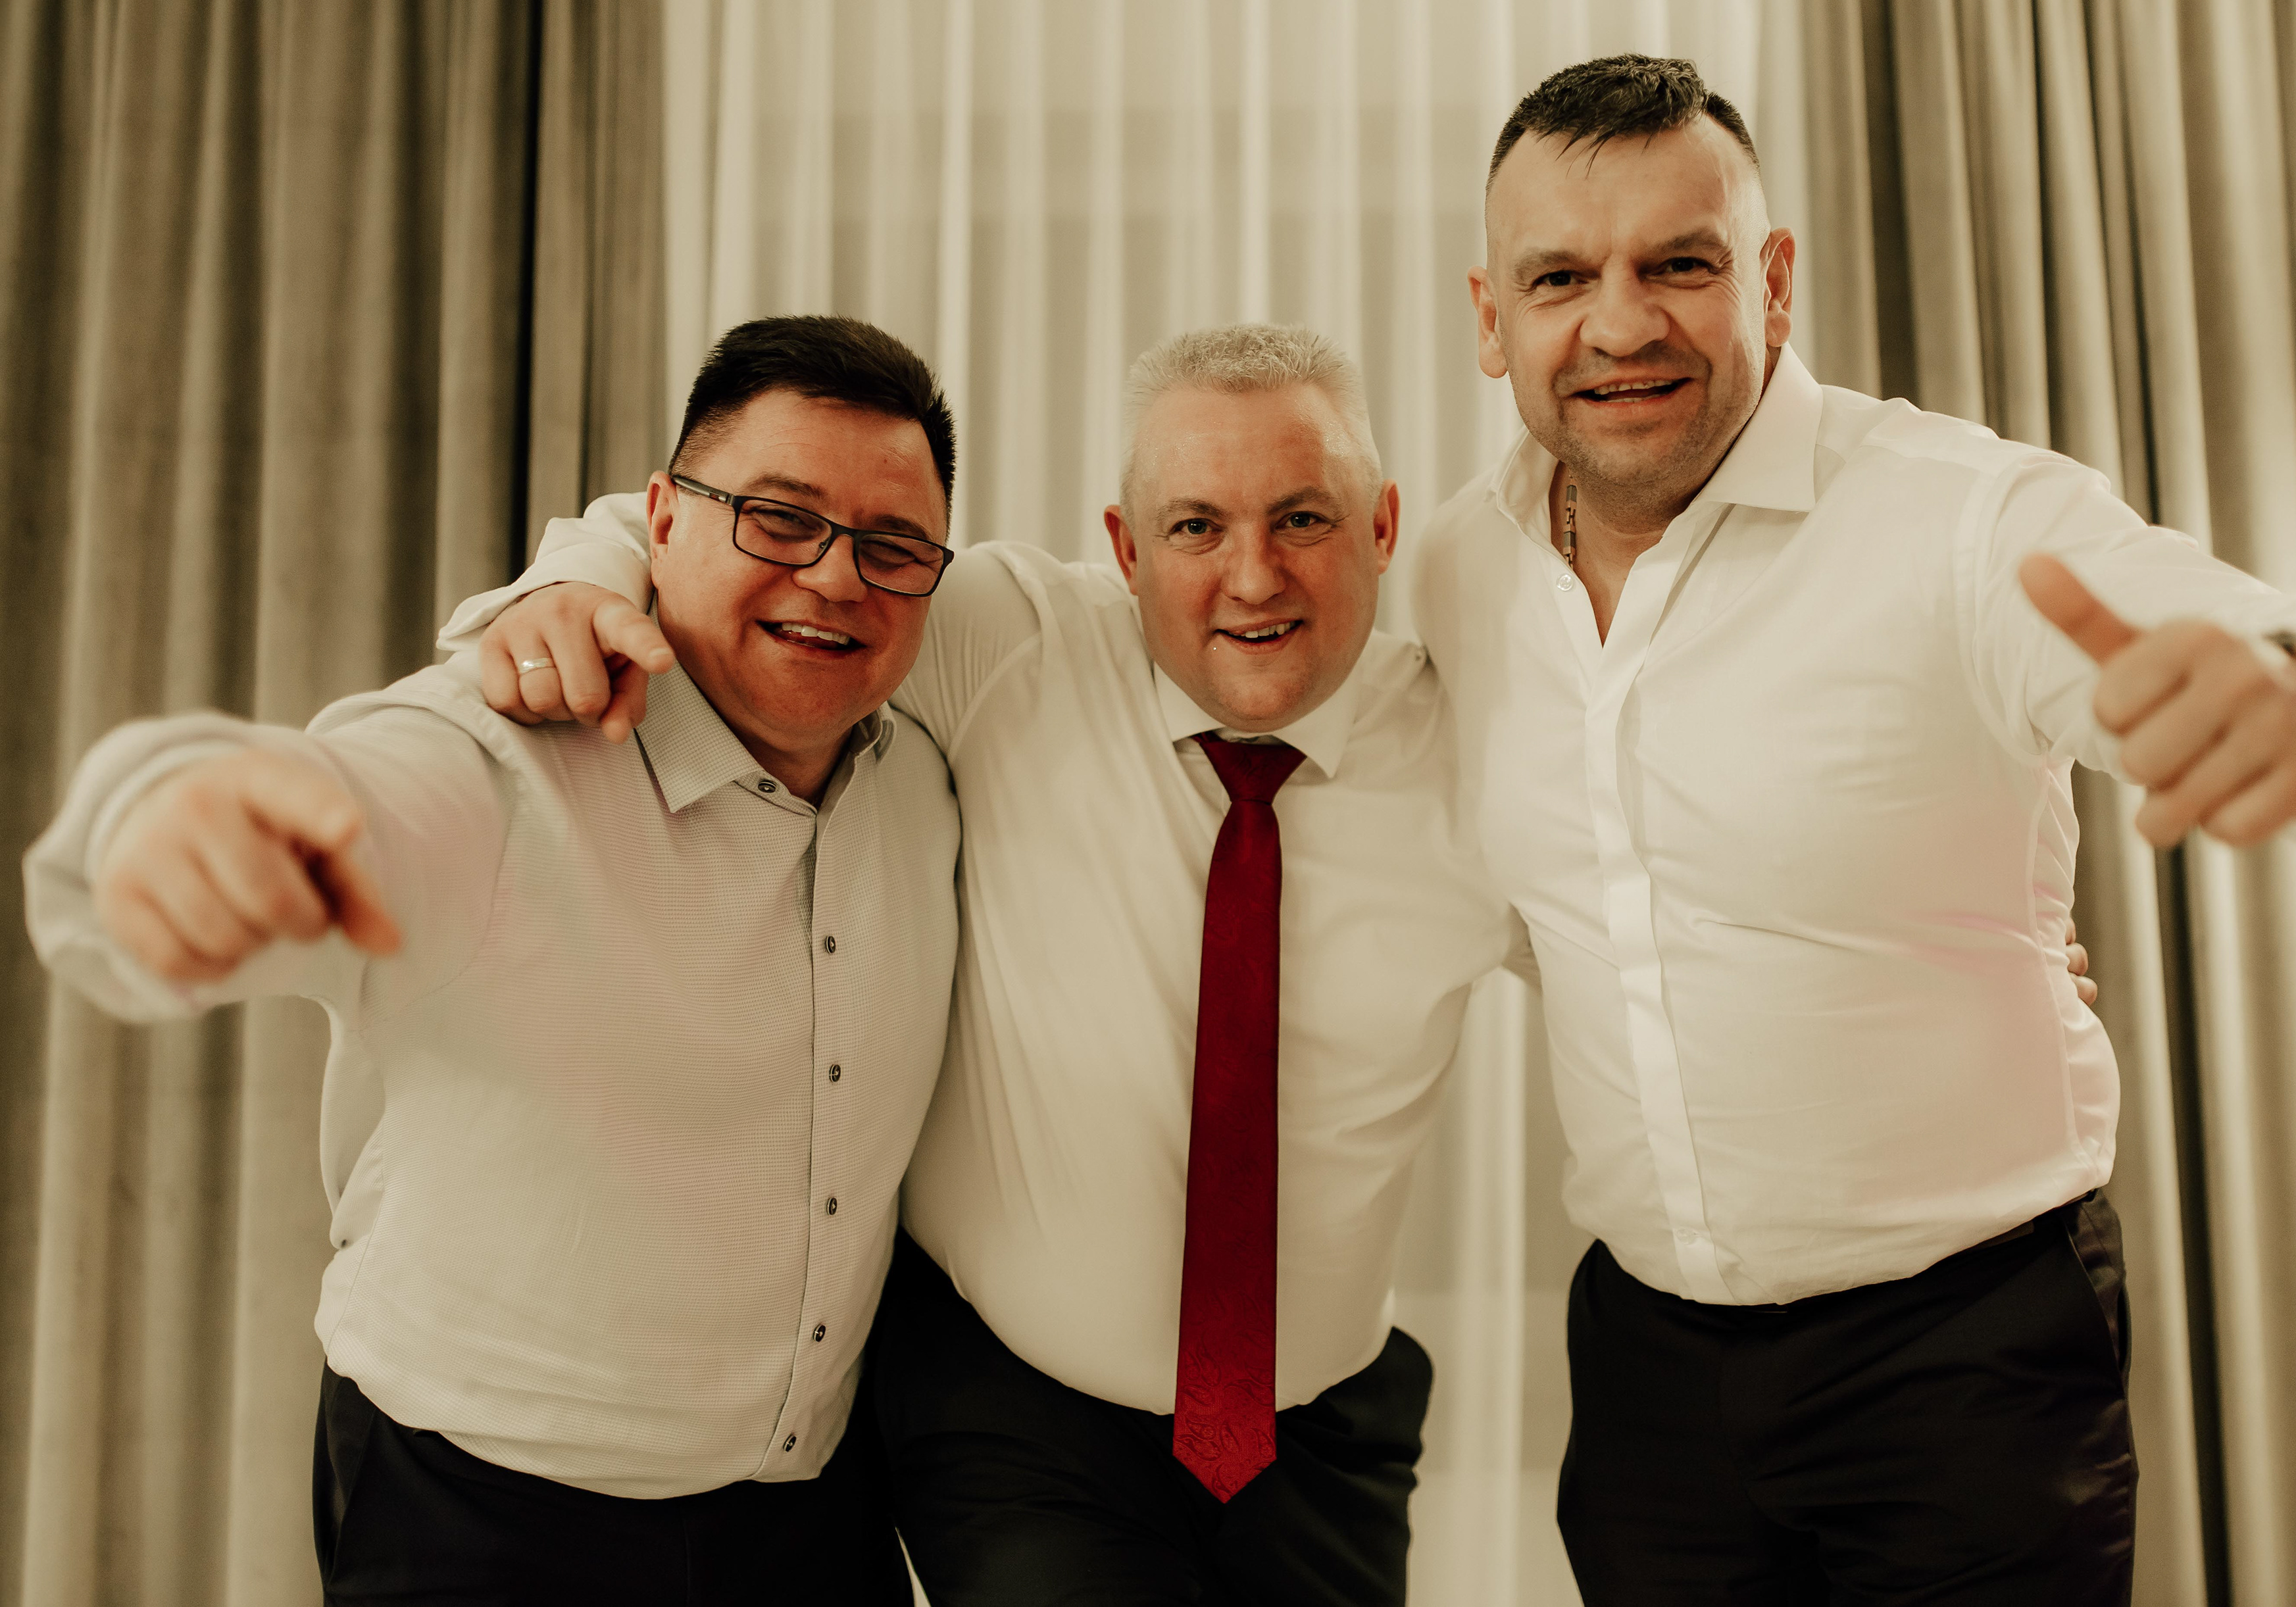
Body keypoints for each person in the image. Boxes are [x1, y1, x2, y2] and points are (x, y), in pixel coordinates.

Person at [1408, 55, 2296, 1603]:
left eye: (1679, 264)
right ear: (1492, 317)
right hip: (1647, 1383)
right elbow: (1552, 895)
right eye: (1561, 276)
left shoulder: (1966, 518)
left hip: (1963, 1364)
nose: (1621, 324)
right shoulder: (1453, 573)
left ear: (1771, 280)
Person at [443, 324, 1518, 1606]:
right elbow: (738, 533)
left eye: (1303, 518)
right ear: (1124, 548)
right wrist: (576, 584)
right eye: (1194, 527)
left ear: (1382, 525)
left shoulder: (1487, 762)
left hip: (1327, 1435)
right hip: (1019, 1415)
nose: (1253, 577)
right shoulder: (1010, 642)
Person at [23, 316, 963, 1606]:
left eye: (891, 545)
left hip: (808, 1516)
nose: (837, 577)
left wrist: (592, 558)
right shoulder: (504, 755)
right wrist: (170, 817)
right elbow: (351, 785)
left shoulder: (930, 770)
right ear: (664, 521)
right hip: (480, 1506)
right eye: (779, 519)